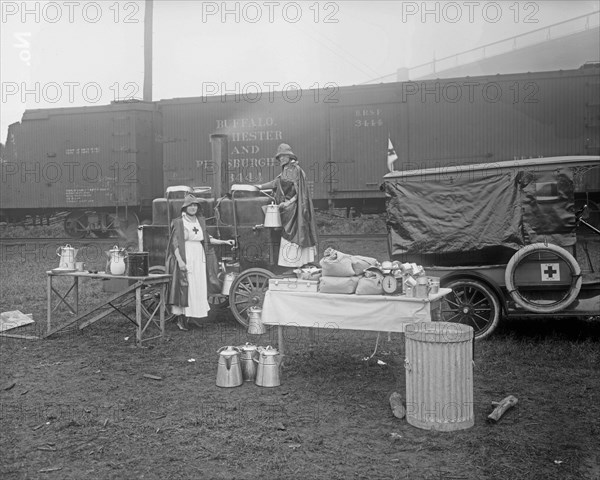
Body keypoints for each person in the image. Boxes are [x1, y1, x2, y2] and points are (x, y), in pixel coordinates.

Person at [165, 194, 235, 330]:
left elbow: (207, 238)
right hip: (187, 256)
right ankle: (182, 319)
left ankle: (193, 317)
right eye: (190, 205)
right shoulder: (180, 222)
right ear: (185, 207)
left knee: (198, 287)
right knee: (187, 287)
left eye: (195, 205)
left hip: (199, 257)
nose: (192, 208)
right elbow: (175, 245)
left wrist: (224, 242)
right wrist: (180, 261)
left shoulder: (199, 221)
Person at [255, 143, 318, 268]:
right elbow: (276, 182)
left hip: (293, 210)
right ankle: (296, 264)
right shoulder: (286, 169)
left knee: (292, 236)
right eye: (280, 157)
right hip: (288, 209)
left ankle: (293, 265)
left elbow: (300, 192)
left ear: (290, 157)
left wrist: (287, 203)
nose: (281, 159)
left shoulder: (294, 169)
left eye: (284, 156)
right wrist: (260, 186)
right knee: (291, 236)